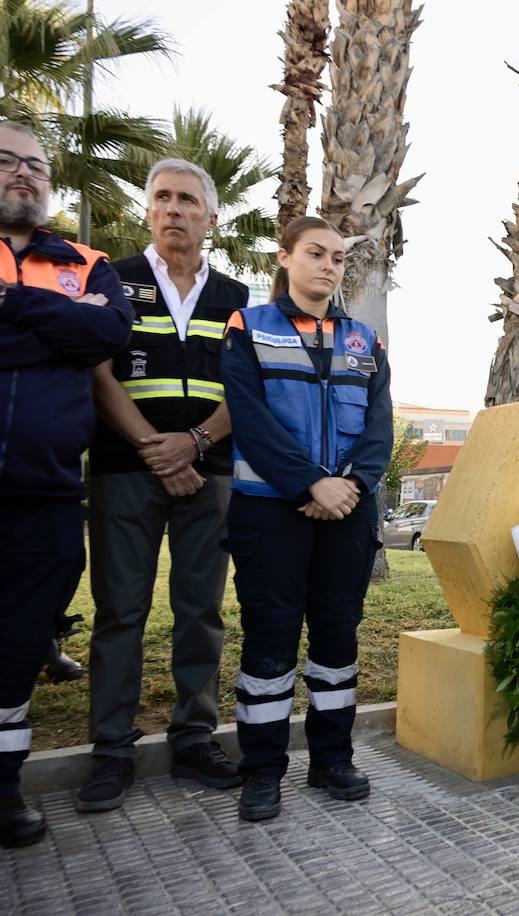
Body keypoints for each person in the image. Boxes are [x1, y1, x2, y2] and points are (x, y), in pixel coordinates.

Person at [77, 160, 250, 813]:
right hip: (126, 471)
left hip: (212, 470)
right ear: (148, 210)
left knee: (200, 610)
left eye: (187, 200)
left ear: (211, 217)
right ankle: (111, 751)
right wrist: (157, 449)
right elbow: (98, 374)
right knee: (120, 612)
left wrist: (197, 443)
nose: (174, 209)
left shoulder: (235, 297)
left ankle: (194, 739)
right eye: (162, 198)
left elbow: (246, 388)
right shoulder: (111, 280)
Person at [221, 216, 392, 820]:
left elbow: (378, 428)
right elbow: (250, 416)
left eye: (338, 258)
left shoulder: (364, 341)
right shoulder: (249, 326)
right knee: (269, 641)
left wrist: (349, 487)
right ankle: (263, 770)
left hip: (346, 513)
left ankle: (331, 760)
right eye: (316, 253)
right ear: (285, 257)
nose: (328, 265)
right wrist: (308, 483)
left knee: (337, 638)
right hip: (271, 512)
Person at [0, 121, 133, 847]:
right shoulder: (72, 289)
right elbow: (78, 337)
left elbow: (109, 335)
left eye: (36, 164)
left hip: (48, 494)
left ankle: (4, 791)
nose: (24, 173)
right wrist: (59, 328)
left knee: (17, 651)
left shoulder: (87, 262)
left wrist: (12, 306)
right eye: (7, 161)